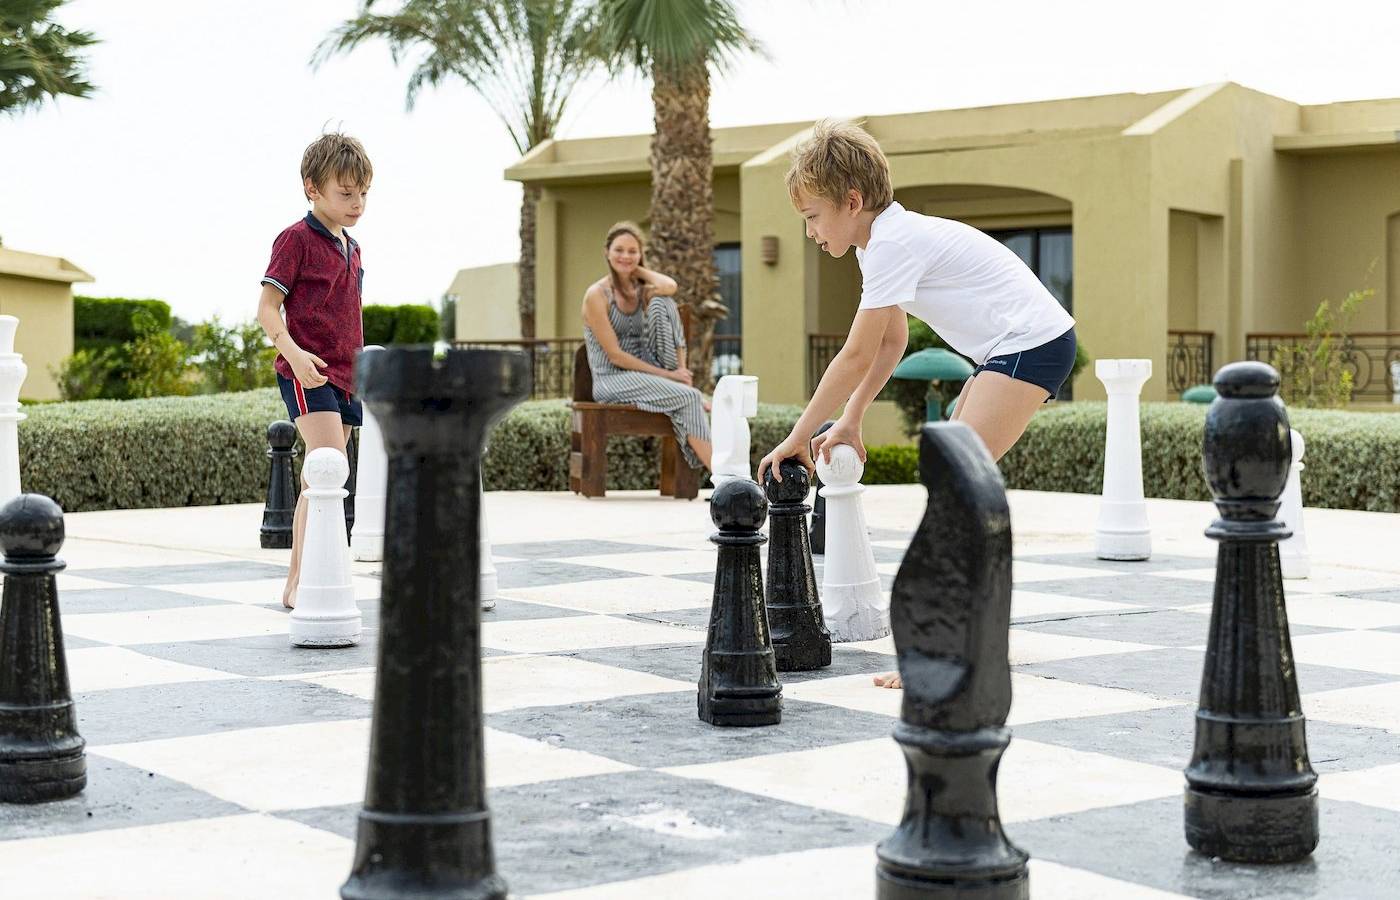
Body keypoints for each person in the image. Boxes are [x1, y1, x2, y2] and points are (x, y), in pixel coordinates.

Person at [756, 120, 1076, 689]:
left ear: (851, 202)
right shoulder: (877, 243)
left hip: (1029, 346)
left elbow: (855, 355)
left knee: (955, 494)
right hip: (1016, 349)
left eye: (811, 216)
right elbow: (892, 340)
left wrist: (796, 436)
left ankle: (946, 650)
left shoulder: (892, 244)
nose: (808, 232)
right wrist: (851, 418)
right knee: (957, 492)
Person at [256, 132, 372, 609]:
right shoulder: (295, 239)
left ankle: (311, 574)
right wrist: (296, 354)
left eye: (363, 192)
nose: (357, 202)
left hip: (348, 376)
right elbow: (267, 308)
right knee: (326, 471)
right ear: (312, 188)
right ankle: (299, 582)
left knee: (323, 478)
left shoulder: (354, 247)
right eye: (346, 193)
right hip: (308, 372)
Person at [582, 221, 712, 470]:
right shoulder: (596, 295)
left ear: (641, 255)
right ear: (607, 252)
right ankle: (725, 479)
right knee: (690, 398)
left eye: (633, 251)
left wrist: (636, 271)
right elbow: (616, 356)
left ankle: (684, 383)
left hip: (648, 375)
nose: (625, 256)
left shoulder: (641, 289)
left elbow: (670, 286)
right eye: (619, 250)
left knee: (664, 302)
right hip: (612, 379)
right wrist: (669, 376)